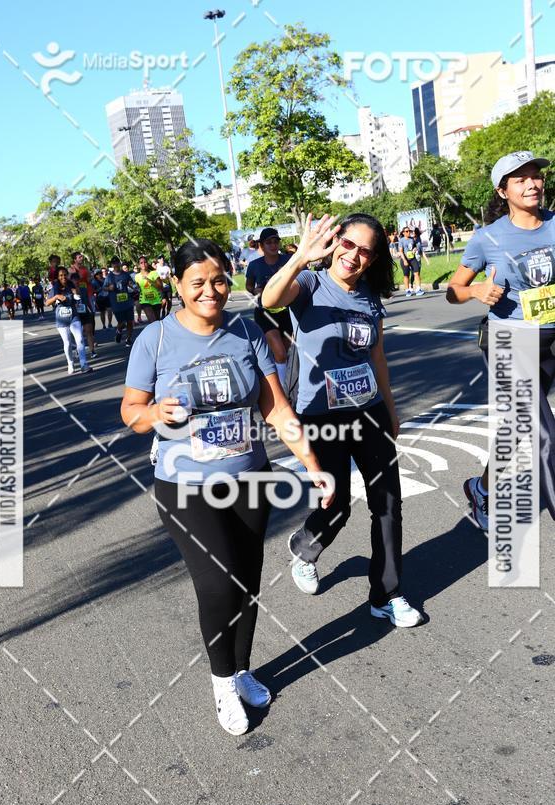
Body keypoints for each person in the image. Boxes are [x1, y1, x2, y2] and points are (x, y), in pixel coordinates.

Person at [121, 238, 333, 735]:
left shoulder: (246, 332)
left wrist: (313, 464)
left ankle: (241, 668)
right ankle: (221, 683)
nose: (210, 291)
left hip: (250, 478)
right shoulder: (154, 339)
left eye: (218, 280)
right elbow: (130, 412)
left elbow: (276, 408)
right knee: (218, 582)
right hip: (185, 487)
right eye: (197, 282)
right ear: (176, 286)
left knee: (247, 582)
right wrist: (153, 413)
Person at [262, 212, 423, 628]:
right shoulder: (312, 284)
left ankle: (387, 595)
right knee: (336, 507)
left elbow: (377, 358)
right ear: (335, 243)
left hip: (369, 413)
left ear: (372, 259)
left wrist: (390, 410)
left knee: (387, 504)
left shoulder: (370, 297)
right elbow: (270, 300)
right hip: (321, 416)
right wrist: (300, 256)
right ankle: (305, 548)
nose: (354, 256)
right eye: (348, 244)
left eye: (365, 251)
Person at [447, 150, 555, 530]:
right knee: (544, 435)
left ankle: (482, 488)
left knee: (514, 429)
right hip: (509, 340)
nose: (532, 183)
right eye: (520, 179)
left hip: (550, 338)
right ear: (502, 190)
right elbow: (453, 290)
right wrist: (476, 292)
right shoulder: (486, 238)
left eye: (535, 176)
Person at [246, 227, 293, 385]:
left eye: (275, 241)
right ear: (262, 245)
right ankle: (282, 391)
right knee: (280, 354)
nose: (273, 245)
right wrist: (254, 290)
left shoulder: (288, 261)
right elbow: (248, 286)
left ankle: (282, 380)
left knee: (286, 353)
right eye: (269, 242)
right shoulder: (255, 265)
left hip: (287, 312)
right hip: (265, 313)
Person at [46, 266, 93, 375]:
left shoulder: (71, 284)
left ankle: (83, 364)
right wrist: (56, 296)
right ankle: (70, 363)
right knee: (67, 343)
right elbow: (47, 303)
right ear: (58, 277)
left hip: (74, 316)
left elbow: (78, 296)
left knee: (80, 339)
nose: (63, 277)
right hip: (61, 319)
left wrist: (75, 292)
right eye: (61, 275)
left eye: (65, 275)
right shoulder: (55, 288)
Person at [104, 257, 135, 346]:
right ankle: (119, 330)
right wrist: (109, 288)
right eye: (114, 263)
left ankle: (128, 339)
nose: (116, 265)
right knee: (122, 323)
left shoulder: (125, 274)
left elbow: (131, 283)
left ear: (119, 263)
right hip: (116, 304)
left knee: (130, 321)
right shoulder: (109, 276)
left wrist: (134, 287)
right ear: (112, 265)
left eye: (117, 263)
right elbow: (104, 287)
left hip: (127, 302)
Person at [134, 256, 164, 324]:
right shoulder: (137, 276)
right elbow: (139, 288)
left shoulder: (154, 273)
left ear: (147, 263)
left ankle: (158, 334)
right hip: (145, 301)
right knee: (152, 321)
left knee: (157, 321)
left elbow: (160, 287)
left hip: (156, 300)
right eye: (141, 263)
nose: (143, 264)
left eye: (145, 262)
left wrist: (149, 280)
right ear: (139, 265)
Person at [398, 227, 424, 297]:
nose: (408, 232)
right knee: (406, 275)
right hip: (405, 259)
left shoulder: (412, 239)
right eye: (406, 231)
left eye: (409, 231)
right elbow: (400, 251)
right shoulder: (401, 240)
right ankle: (407, 290)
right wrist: (404, 260)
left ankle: (418, 289)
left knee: (417, 273)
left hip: (412, 258)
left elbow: (415, 246)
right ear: (403, 233)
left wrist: (414, 249)